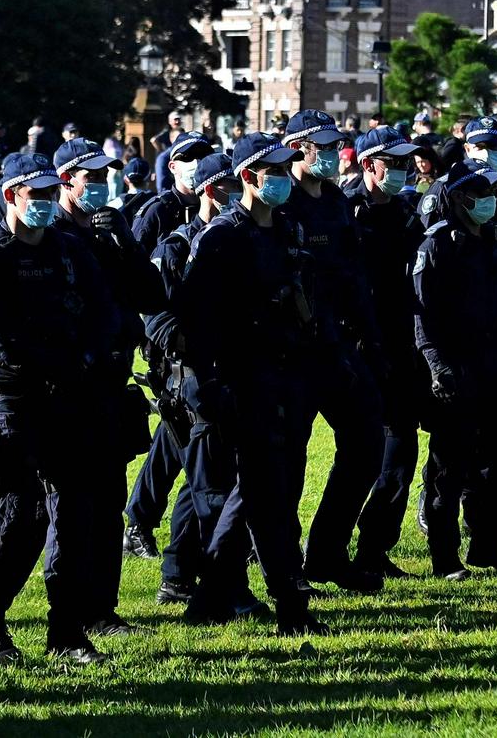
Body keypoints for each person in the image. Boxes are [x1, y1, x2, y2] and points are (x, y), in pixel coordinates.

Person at [0, 152, 123, 666]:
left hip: (74, 396)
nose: (50, 204)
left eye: (55, 194)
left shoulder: (71, 250)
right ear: (11, 196)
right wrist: (38, 357)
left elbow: (103, 310)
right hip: (16, 399)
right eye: (40, 195)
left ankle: (67, 630)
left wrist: (93, 355)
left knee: (76, 511)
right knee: (20, 512)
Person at [171, 132, 324, 635]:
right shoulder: (221, 239)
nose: (283, 178)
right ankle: (290, 606)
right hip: (239, 382)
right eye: (273, 170)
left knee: (257, 493)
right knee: (265, 494)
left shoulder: (288, 229)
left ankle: (212, 595)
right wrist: (213, 383)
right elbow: (196, 321)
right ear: (249, 178)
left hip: (285, 377)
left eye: (287, 168)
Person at [50, 137, 157, 638]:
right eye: (89, 177)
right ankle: (67, 615)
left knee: (109, 498)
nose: (100, 185)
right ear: (64, 180)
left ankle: (102, 608)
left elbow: (152, 294)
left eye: (103, 176)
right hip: (68, 387)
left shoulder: (108, 230)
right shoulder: (47, 232)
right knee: (71, 508)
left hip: (113, 383)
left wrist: (127, 242)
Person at [277, 110, 386, 595]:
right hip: (294, 351)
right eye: (321, 143)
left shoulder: (337, 199)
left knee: (366, 444)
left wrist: (369, 334)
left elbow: (354, 273)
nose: (331, 150)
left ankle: (327, 552)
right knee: (289, 462)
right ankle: (287, 565)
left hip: (339, 344)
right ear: (298, 147)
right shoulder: (281, 203)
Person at [413, 161, 497, 579]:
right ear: (460, 199)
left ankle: (489, 544)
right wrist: (436, 365)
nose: (489, 200)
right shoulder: (437, 246)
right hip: (455, 366)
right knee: (450, 468)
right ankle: (444, 556)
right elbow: (422, 315)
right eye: (480, 193)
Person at [143, 152, 236, 604]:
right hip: (190, 381)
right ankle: (211, 583)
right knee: (209, 485)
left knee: (207, 479)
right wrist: (192, 351)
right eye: (226, 187)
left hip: (231, 375)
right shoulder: (177, 246)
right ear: (208, 190)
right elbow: (155, 315)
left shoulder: (236, 239)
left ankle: (178, 574)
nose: (234, 195)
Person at [347, 127, 426, 580]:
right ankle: (326, 549)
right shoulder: (346, 212)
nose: (402, 170)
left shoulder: (406, 213)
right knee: (358, 454)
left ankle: (374, 546)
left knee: (401, 449)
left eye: (404, 163)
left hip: (401, 344)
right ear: (368, 165)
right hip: (356, 345)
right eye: (392, 163)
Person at [131, 129, 214, 255]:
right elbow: (135, 261)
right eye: (188, 156)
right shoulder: (157, 210)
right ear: (172, 167)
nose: (196, 162)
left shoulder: (218, 204)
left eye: (203, 156)